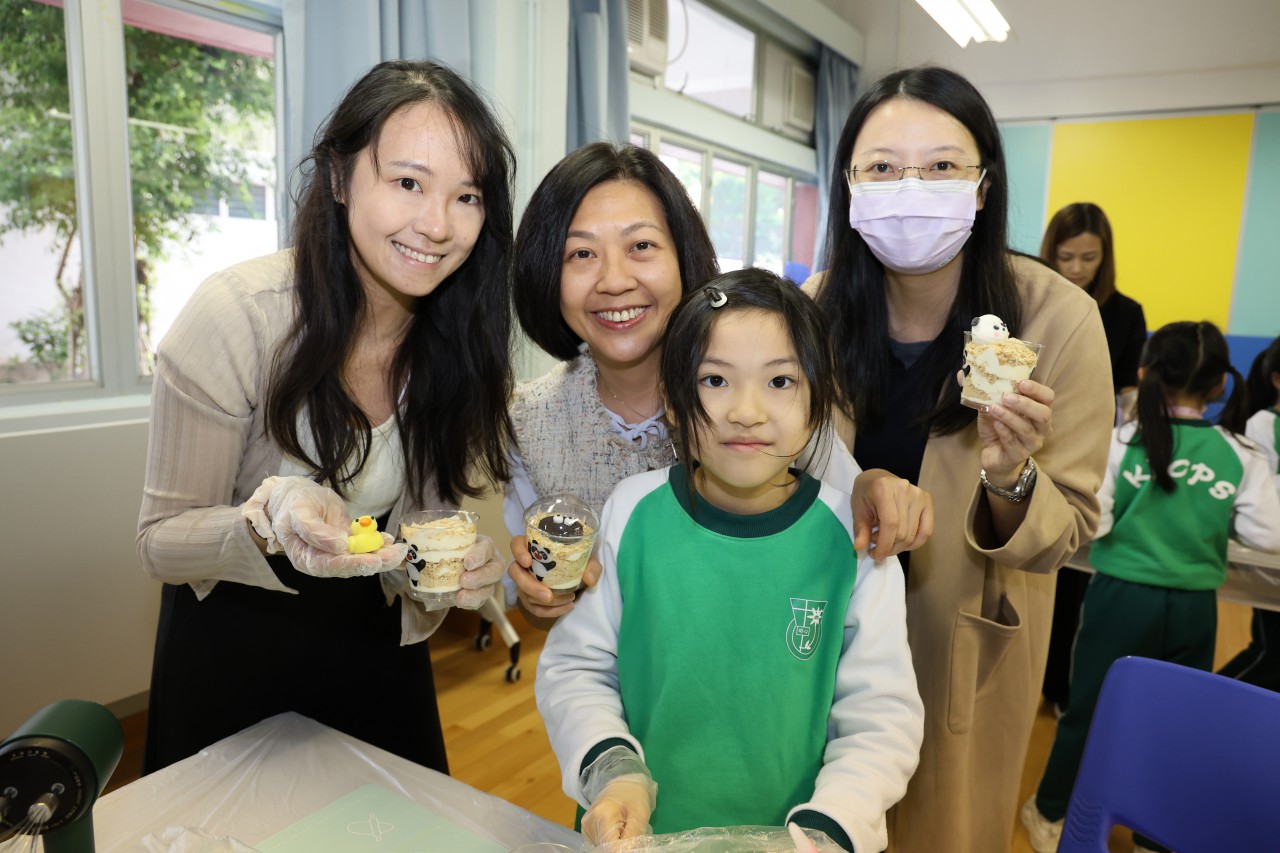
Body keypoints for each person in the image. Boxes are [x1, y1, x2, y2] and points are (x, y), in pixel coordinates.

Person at [136, 60, 515, 773]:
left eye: (467, 196)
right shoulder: (240, 317)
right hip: (231, 648)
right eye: (408, 183)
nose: (437, 225)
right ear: (339, 178)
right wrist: (267, 518)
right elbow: (159, 541)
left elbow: (415, 532)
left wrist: (445, 569)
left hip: (373, 648)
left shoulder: (456, 343)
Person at [806, 65, 1114, 853]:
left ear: (983, 186)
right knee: (818, 822)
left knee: (939, 829)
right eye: (882, 167)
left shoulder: (1059, 318)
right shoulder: (815, 308)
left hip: (961, 641)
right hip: (823, 625)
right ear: (849, 185)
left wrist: (1011, 474)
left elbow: (1069, 529)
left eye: (941, 165)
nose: (911, 189)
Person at [535, 269, 924, 853]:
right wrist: (615, 774)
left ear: (818, 406)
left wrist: (828, 828)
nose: (747, 410)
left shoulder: (855, 539)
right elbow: (576, 670)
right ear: (673, 401)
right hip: (633, 835)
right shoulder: (630, 511)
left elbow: (880, 719)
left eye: (781, 381)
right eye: (715, 380)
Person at [506, 142, 934, 627]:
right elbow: (543, 603)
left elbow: (841, 499)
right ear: (546, 271)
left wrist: (870, 485)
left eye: (641, 246)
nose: (615, 280)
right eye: (581, 253)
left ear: (683, 256)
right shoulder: (528, 422)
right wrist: (541, 601)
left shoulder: (759, 390)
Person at [1022, 321, 1280, 853]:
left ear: (1143, 376)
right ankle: (1152, 835)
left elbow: (1095, 523)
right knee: (1179, 721)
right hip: (1194, 607)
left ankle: (1048, 811)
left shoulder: (1122, 442)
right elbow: (1269, 533)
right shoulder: (1240, 453)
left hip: (1118, 599)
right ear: (1219, 385)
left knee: (1089, 708)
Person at [1038, 202, 1149, 713]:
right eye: (1066, 257)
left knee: (1073, 575)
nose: (1077, 268)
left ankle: (1061, 686)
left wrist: (1132, 413)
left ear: (1105, 257)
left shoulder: (1125, 312)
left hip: (1090, 454)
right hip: (1032, 444)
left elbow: (1128, 387)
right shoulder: (1033, 300)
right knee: (1028, 568)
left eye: (1089, 258)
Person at [1217, 334, 1280, 692]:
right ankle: (1202, 706)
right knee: (1271, 654)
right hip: (1271, 559)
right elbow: (1265, 496)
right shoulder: (1262, 425)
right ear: (1277, 380)